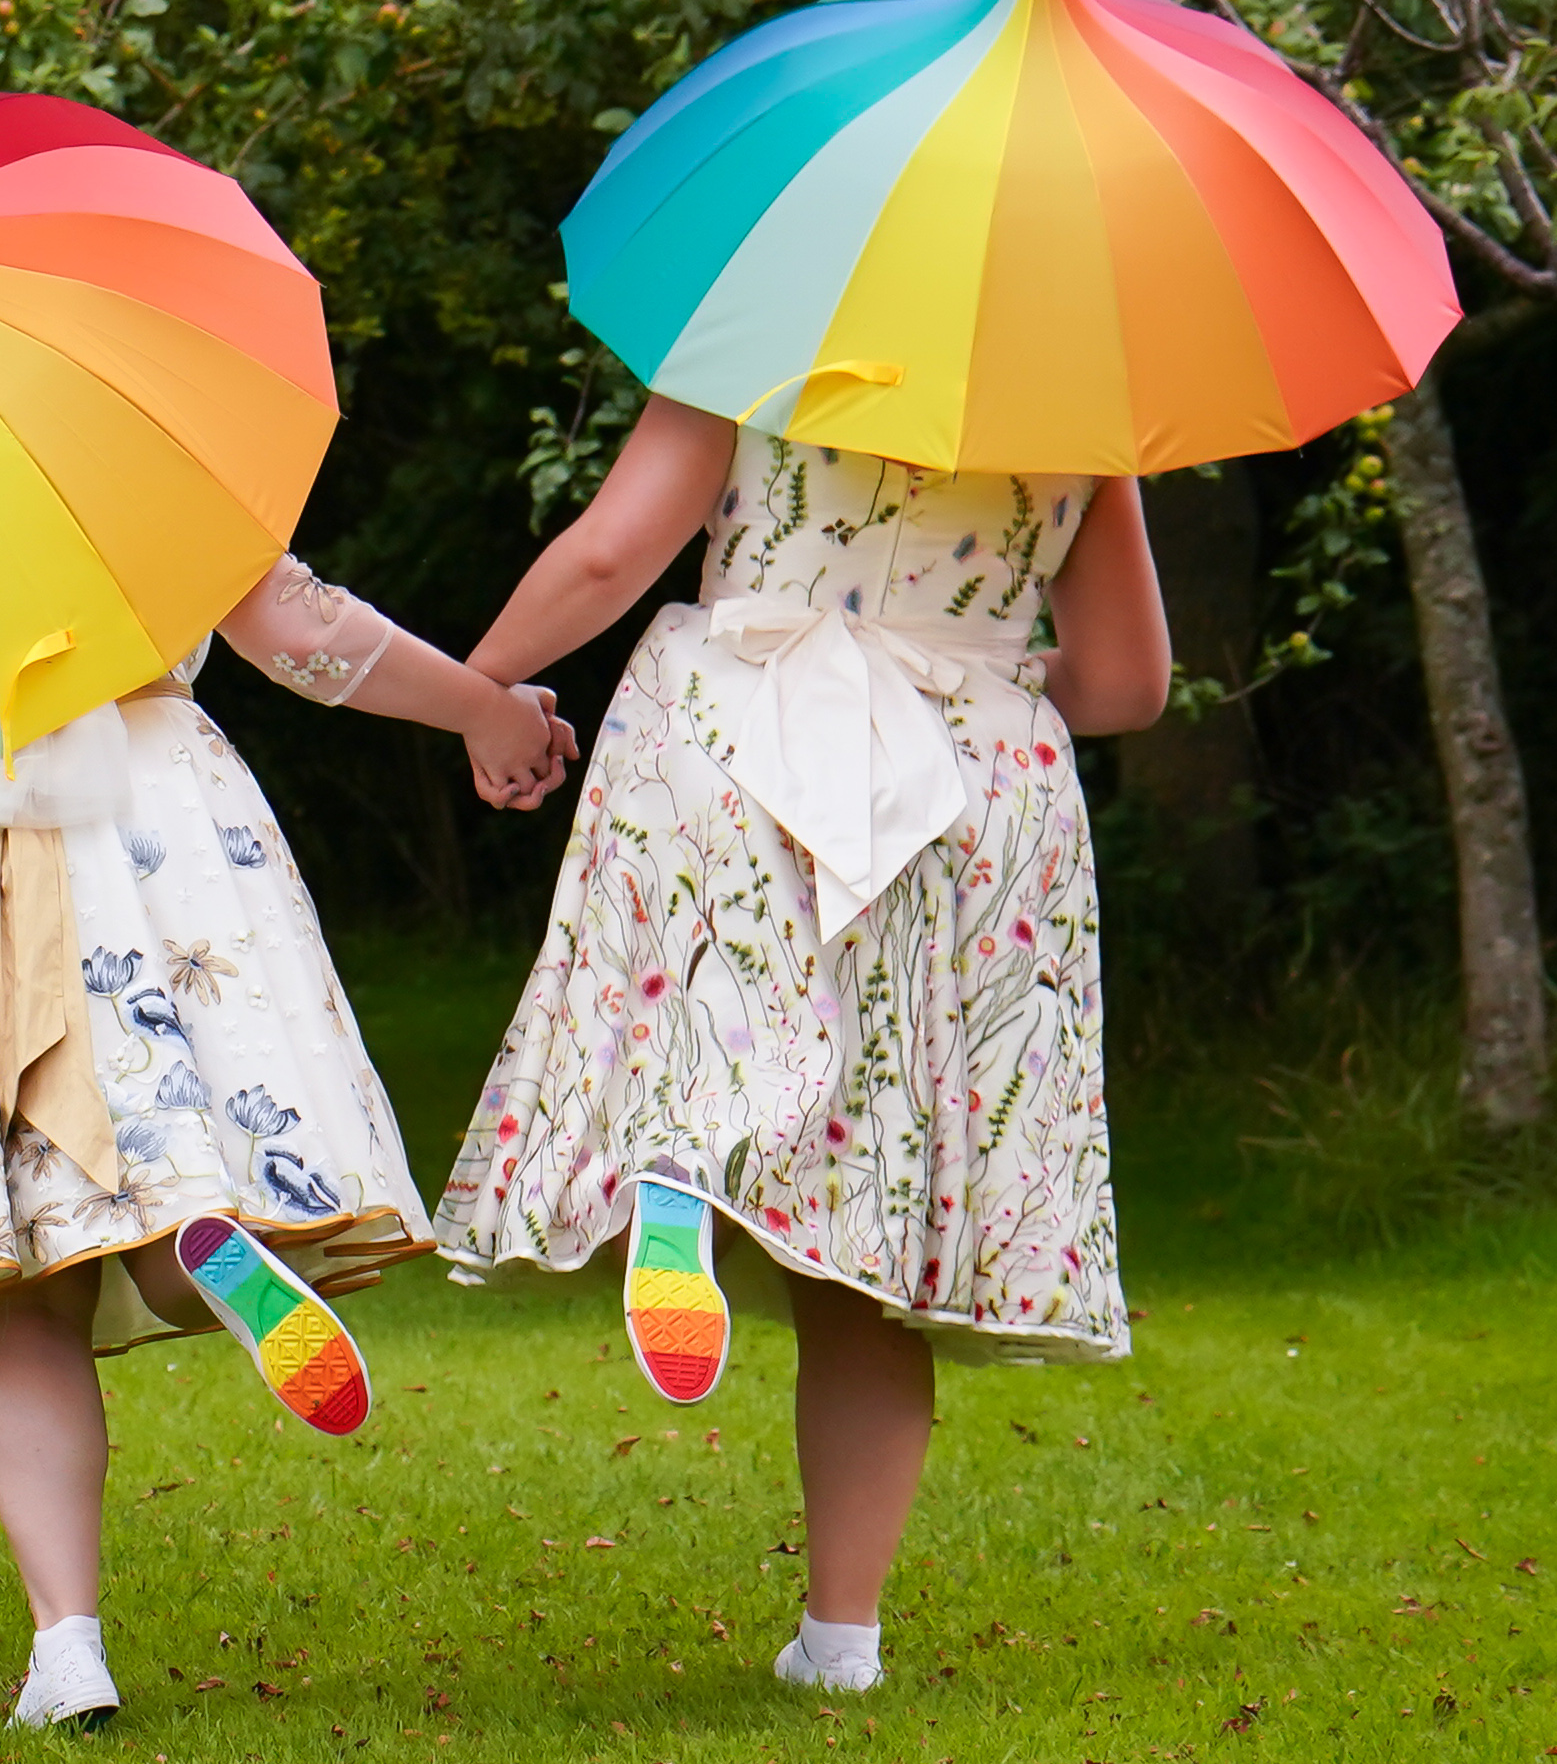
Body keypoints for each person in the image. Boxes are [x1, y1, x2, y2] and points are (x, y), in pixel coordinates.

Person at [0, 557, 575, 1731]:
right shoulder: (140, 406)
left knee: (16, 1267)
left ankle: (68, 1648)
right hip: (145, 806)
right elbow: (295, 627)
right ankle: (202, 1248)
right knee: (163, 1162)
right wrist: (487, 708)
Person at [436, 402, 1171, 1696]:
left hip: (746, 729)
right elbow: (1124, 682)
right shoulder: (1066, 390)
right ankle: (840, 1641)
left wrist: (479, 686)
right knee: (874, 1213)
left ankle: (680, 1181)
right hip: (963, 779)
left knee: (706, 1003)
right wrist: (971, 667)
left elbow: (611, 554)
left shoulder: (760, 337)